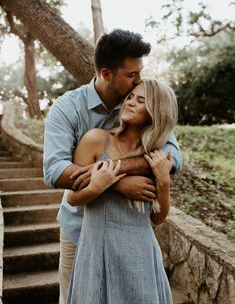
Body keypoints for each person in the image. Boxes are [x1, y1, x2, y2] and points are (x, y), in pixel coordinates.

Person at [43, 29, 182, 304]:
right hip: (80, 229)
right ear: (107, 74)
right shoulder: (67, 108)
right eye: (131, 75)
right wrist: (117, 182)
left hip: (129, 236)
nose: (138, 81)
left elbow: (171, 157)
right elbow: (56, 170)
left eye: (139, 73)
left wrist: (115, 169)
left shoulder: (142, 102)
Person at [66, 79, 177, 304]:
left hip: (141, 251)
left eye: (141, 100)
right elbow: (73, 198)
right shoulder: (96, 139)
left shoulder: (154, 156)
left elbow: (157, 217)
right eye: (130, 97)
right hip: (97, 246)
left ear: (156, 111)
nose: (130, 103)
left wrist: (163, 182)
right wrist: (101, 184)